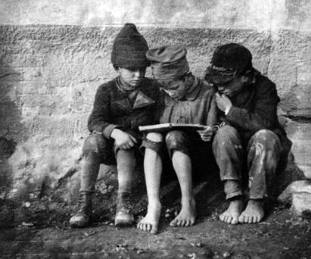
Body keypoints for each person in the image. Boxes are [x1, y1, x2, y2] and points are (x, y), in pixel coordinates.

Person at [69, 23, 160, 228]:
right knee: (92, 141)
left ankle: (123, 203)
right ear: (117, 67)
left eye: (142, 69)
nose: (138, 75)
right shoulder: (106, 90)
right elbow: (94, 121)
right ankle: (85, 204)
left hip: (139, 150)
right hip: (110, 147)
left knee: (126, 146)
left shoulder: (153, 88)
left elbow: (159, 118)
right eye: (131, 70)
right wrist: (115, 131)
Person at [205, 43, 292, 224]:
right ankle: (234, 199)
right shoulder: (217, 89)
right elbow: (213, 122)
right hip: (232, 155)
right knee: (223, 133)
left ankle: (256, 201)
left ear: (245, 77)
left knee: (265, 136)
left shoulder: (264, 87)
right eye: (217, 82)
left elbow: (264, 123)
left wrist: (230, 110)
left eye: (226, 82)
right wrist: (209, 129)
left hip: (262, 153)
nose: (220, 87)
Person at [137, 45, 219, 234]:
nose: (171, 93)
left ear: (187, 77)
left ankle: (187, 201)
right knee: (153, 136)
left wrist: (211, 131)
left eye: (174, 87)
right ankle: (153, 205)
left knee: (175, 136)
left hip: (197, 161)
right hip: (166, 162)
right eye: (165, 89)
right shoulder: (163, 95)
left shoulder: (207, 93)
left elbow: (216, 126)